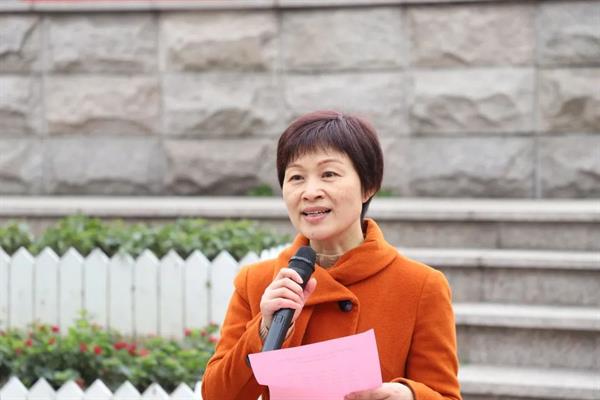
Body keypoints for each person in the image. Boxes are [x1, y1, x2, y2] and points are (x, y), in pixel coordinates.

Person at [201, 110, 461, 400]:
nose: (310, 192)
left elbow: (445, 395)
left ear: (368, 186)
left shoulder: (420, 285)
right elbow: (217, 396)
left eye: (329, 174)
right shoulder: (258, 281)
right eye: (296, 177)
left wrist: (408, 395)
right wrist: (263, 330)